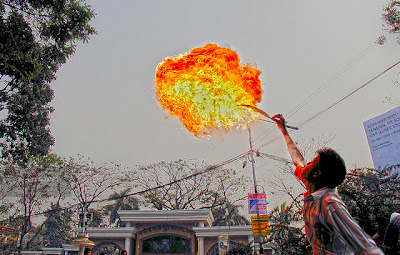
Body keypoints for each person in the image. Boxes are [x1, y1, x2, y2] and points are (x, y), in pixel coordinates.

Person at [272, 114, 383, 255]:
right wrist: (284, 131)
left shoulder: (330, 204)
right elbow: (298, 160)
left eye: (312, 163)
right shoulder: (315, 190)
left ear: (317, 173)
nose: (307, 164)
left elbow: (366, 246)